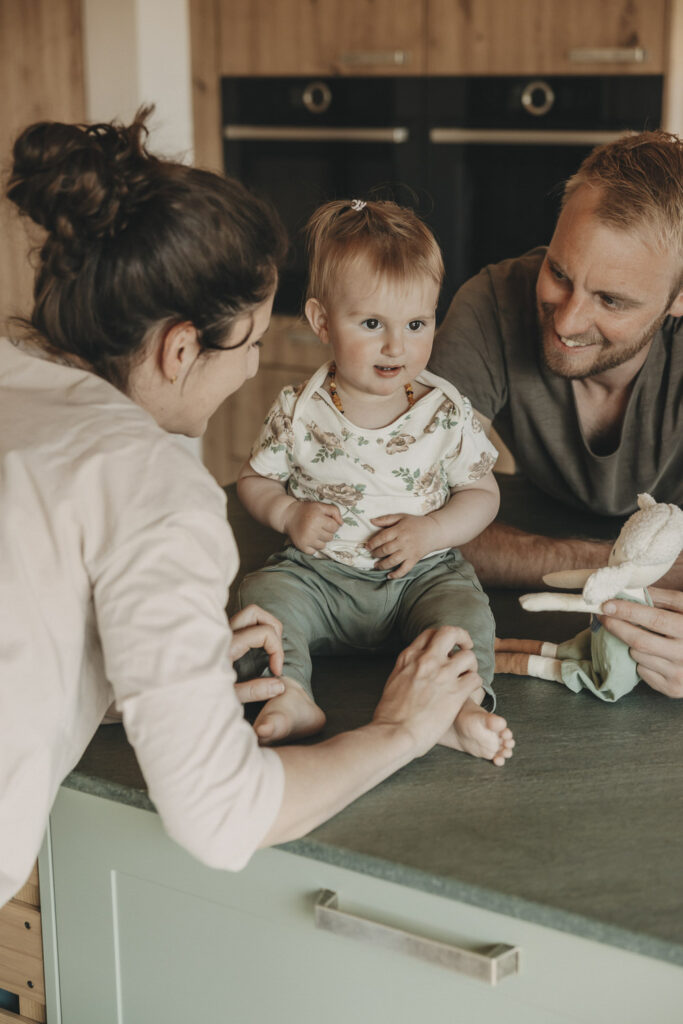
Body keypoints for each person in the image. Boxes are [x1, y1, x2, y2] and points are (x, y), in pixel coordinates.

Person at [0, 111, 486, 908]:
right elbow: (221, 817)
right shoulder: (153, 485)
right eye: (252, 342)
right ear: (181, 348)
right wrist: (400, 730)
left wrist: (177, 660)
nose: (257, 364)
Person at [236, 199, 515, 766]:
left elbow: (484, 493)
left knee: (465, 612)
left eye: (417, 324)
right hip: (320, 578)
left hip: (420, 577)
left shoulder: (445, 411)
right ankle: (290, 694)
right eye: (371, 324)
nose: (397, 346)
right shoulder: (298, 410)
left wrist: (431, 530)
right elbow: (254, 480)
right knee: (263, 600)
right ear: (320, 322)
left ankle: (457, 706)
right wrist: (289, 514)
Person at [429, 129, 683, 698]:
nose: (566, 322)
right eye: (560, 274)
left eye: (611, 300)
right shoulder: (492, 304)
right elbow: (412, 510)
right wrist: (617, 564)